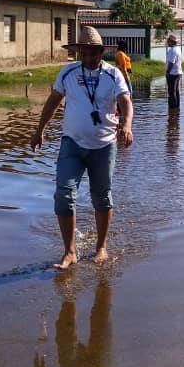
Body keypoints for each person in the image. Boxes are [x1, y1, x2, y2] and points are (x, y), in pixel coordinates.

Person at [31, 26, 134, 270]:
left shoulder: (113, 75)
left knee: (101, 196)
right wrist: (39, 130)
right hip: (72, 144)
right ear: (78, 52)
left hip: (104, 145)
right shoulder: (67, 73)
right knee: (64, 195)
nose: (89, 58)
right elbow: (53, 101)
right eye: (84, 54)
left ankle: (101, 247)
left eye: (93, 54)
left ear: (101, 52)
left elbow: (125, 102)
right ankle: (69, 252)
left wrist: (127, 125)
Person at [165, 33, 182, 109]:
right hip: (178, 72)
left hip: (173, 73)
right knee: (176, 90)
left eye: (168, 41)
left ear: (172, 42)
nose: (167, 42)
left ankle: (173, 108)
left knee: (171, 91)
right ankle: (177, 107)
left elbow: (171, 62)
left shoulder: (172, 50)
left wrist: (168, 72)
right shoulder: (177, 48)